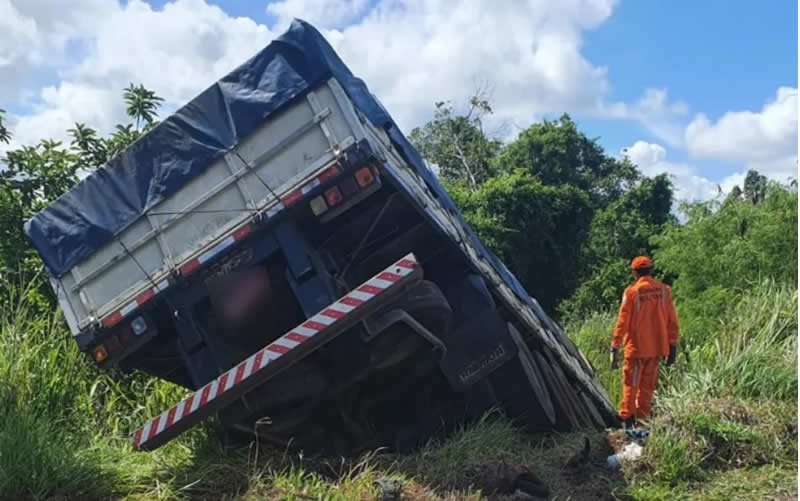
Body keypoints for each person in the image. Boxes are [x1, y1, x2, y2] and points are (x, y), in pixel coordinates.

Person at [610, 256, 679, 427]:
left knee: (631, 385)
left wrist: (615, 345)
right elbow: (672, 321)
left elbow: (622, 322)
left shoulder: (631, 293)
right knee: (647, 388)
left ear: (634, 272)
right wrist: (673, 345)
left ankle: (626, 419)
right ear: (651, 270)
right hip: (657, 348)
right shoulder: (664, 291)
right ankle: (643, 421)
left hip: (636, 349)